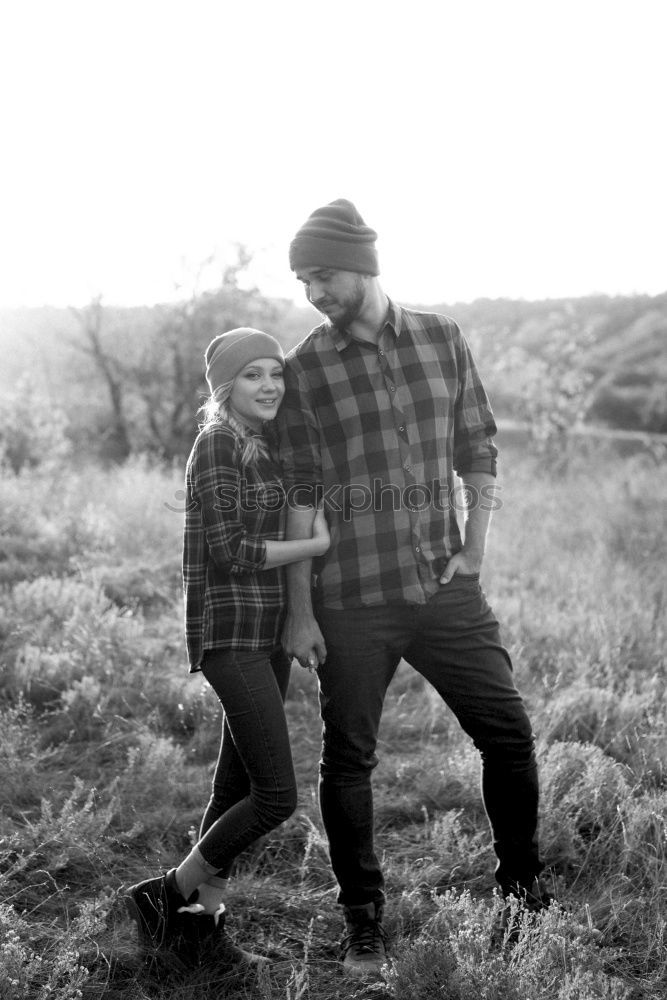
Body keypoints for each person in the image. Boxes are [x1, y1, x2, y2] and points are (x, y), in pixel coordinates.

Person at [277, 200, 549, 978]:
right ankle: (361, 919)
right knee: (349, 759)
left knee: (507, 735)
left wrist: (475, 546)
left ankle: (523, 891)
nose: (312, 293)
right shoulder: (306, 368)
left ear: (360, 263)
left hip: (444, 588)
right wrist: (299, 611)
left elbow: (478, 442)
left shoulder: (441, 337)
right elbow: (300, 492)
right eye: (301, 281)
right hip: (352, 597)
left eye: (321, 275)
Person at [126, 327, 329, 972]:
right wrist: (312, 548)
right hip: (229, 635)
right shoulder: (216, 444)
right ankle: (166, 894)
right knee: (277, 796)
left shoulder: (262, 444)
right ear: (225, 385)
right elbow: (231, 550)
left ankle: (199, 926)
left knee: (233, 786)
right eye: (253, 375)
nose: (269, 385)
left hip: (263, 633)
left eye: (276, 372)